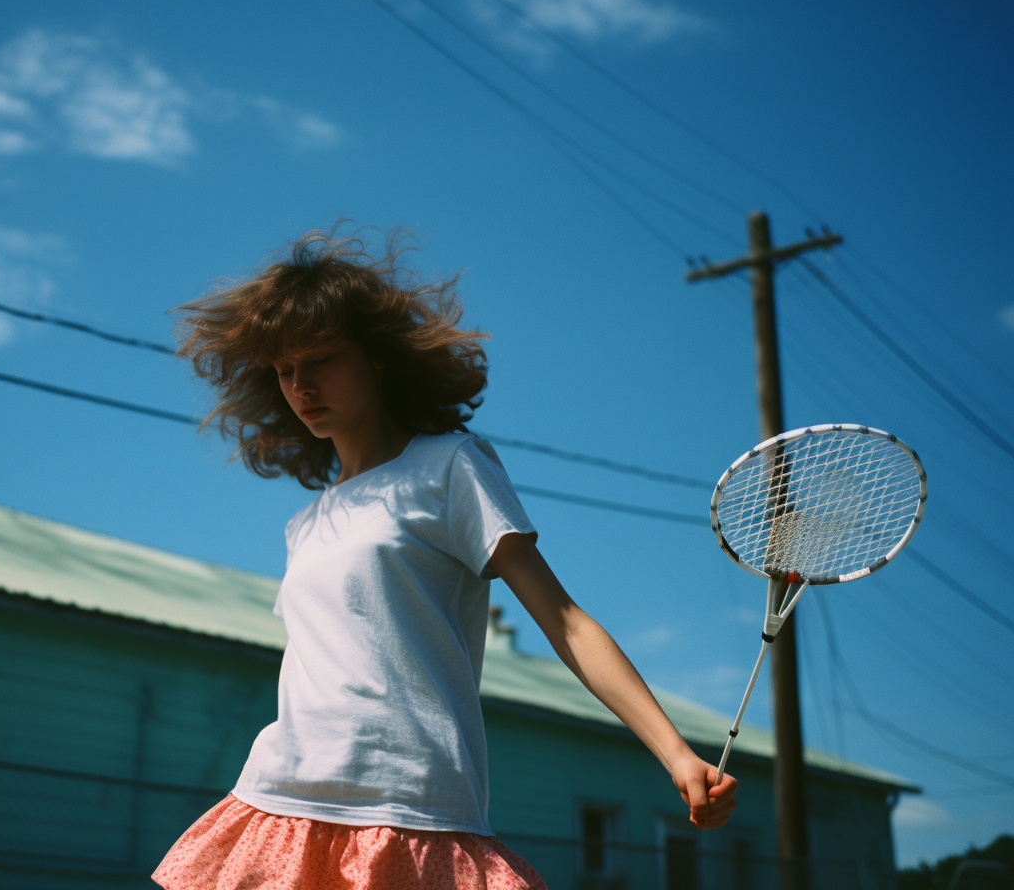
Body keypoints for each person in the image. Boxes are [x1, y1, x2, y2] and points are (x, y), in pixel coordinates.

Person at [152, 228, 738, 890]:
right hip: (284, 796)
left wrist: (677, 755)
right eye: (284, 370)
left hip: (415, 802)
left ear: (376, 357)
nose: (301, 384)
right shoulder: (305, 523)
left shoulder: (451, 466)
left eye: (321, 359)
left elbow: (565, 620)